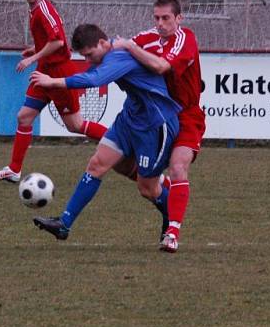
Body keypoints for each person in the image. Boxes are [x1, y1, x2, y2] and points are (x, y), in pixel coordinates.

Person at [30, 24, 180, 246]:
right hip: (130, 119)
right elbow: (91, 73)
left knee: (147, 189)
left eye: (90, 54)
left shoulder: (119, 56)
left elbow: (93, 80)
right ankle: (64, 224)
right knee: (97, 164)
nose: (89, 59)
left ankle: (171, 218)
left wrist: (53, 82)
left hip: (155, 124)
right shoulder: (107, 57)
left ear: (102, 43)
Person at [0, 0, 107, 183]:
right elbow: (51, 39)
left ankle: (120, 141)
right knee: (24, 117)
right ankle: (14, 170)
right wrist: (35, 49)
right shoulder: (34, 9)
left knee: (75, 126)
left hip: (59, 73)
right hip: (44, 72)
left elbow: (59, 42)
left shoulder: (44, 9)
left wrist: (33, 57)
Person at [112, 0, 205, 252]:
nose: (161, 23)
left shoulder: (186, 39)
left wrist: (129, 48)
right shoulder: (148, 37)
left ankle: (172, 232)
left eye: (166, 18)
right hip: (157, 117)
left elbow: (162, 66)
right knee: (139, 181)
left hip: (186, 116)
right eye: (157, 18)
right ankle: (164, 191)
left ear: (179, 18)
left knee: (178, 167)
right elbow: (121, 46)